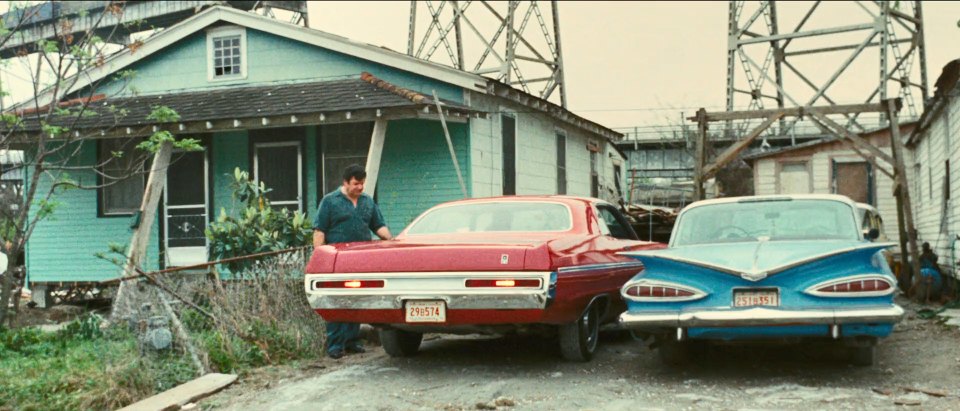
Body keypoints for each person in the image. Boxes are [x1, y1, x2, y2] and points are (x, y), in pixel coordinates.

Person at [313, 164, 392, 359]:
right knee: (336, 300)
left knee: (356, 300)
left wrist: (392, 243)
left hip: (362, 260)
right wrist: (319, 256)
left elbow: (378, 226)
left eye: (362, 184)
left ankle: (352, 341)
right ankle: (335, 345)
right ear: (345, 182)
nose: (360, 188)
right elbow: (319, 230)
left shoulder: (367, 202)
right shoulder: (330, 202)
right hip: (338, 261)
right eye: (356, 184)